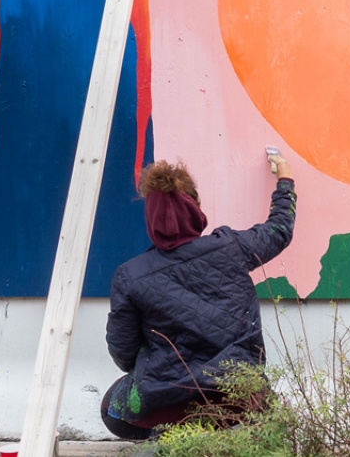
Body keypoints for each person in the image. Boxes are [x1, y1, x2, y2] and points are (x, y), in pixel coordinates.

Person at [100, 152, 295, 439]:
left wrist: (152, 367)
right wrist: (285, 180)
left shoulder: (130, 276)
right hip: (237, 398)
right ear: (196, 209)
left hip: (165, 399)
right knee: (261, 404)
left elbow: (122, 350)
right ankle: (222, 434)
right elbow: (280, 230)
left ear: (150, 220)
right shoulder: (233, 248)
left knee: (111, 409)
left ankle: (175, 438)